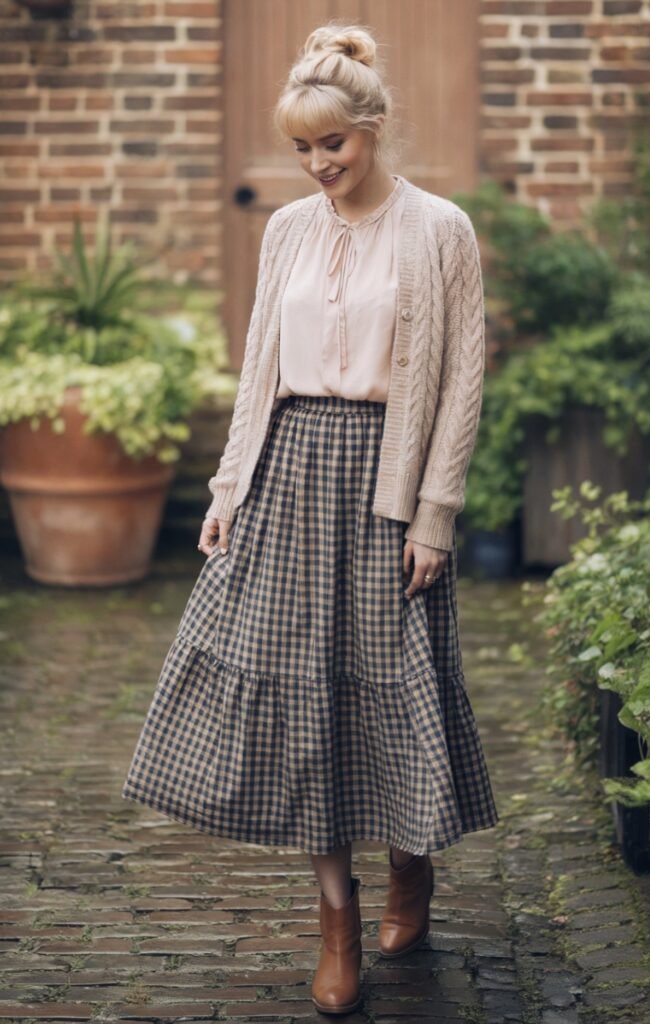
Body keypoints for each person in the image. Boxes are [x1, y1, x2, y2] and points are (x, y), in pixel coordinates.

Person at [121, 20, 499, 1016]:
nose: (315, 164)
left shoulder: (440, 231)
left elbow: (460, 385)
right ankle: (336, 918)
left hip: (387, 485)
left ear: (371, 128)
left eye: (330, 144)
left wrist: (433, 516)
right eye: (299, 148)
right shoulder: (285, 230)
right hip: (290, 475)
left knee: (396, 690)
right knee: (306, 706)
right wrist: (227, 489)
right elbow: (260, 371)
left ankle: (410, 861)